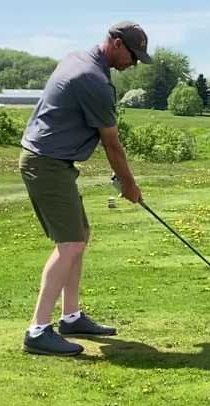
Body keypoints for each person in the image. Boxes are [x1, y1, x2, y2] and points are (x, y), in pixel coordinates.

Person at [19, 21, 152, 356]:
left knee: (80, 236)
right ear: (117, 44)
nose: (133, 64)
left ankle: (71, 316)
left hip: (52, 161)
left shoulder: (78, 59)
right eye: (133, 56)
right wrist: (129, 185)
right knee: (70, 244)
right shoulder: (93, 80)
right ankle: (38, 330)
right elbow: (112, 144)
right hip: (46, 163)